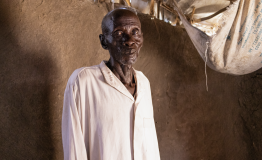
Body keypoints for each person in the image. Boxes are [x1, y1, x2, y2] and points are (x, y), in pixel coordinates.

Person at [62, 7, 160, 160]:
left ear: (141, 38)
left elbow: (150, 146)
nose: (129, 41)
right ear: (104, 41)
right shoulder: (83, 81)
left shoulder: (144, 83)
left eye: (135, 32)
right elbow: (74, 149)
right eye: (119, 33)